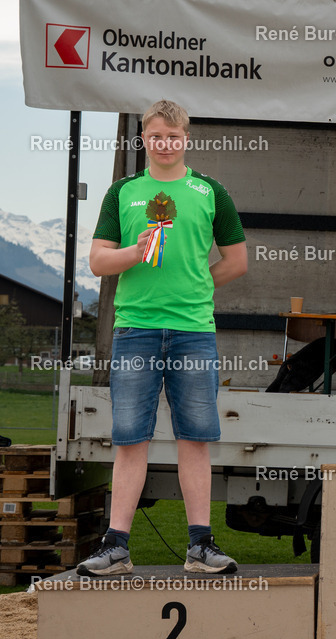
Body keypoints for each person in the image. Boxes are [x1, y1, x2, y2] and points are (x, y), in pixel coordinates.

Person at [78, 100, 247, 576]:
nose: (166, 144)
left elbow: (237, 261)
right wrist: (136, 250)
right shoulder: (123, 192)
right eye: (157, 136)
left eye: (174, 136)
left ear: (186, 139)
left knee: (195, 438)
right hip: (135, 330)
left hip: (194, 330)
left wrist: (195, 284)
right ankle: (116, 548)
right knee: (131, 439)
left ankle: (201, 547)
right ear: (145, 140)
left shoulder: (210, 191)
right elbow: (97, 262)